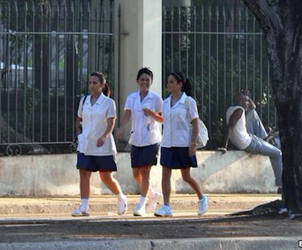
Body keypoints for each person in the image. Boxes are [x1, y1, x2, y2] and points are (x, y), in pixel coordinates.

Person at [71, 71, 127, 217]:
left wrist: (104, 136)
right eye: (90, 82)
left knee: (105, 177)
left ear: (102, 84)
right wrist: (79, 134)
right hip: (86, 144)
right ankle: (84, 207)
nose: (91, 85)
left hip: (102, 145)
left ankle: (121, 198)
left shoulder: (109, 102)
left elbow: (111, 121)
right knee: (83, 173)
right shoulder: (84, 101)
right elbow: (78, 118)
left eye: (95, 83)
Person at [155, 71, 208, 217]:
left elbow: (195, 123)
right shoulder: (165, 102)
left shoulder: (188, 101)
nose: (169, 84)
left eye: (172, 81)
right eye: (168, 82)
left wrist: (193, 144)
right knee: (165, 173)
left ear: (180, 84)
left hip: (183, 143)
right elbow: (165, 121)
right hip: (167, 143)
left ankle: (202, 198)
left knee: (186, 176)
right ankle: (166, 206)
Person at [119, 67, 164, 216]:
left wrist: (152, 113)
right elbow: (127, 114)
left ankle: (141, 204)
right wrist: (121, 127)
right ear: (137, 81)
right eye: (142, 79)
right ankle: (153, 195)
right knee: (135, 174)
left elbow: (163, 119)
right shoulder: (132, 97)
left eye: (147, 80)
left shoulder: (156, 99)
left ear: (151, 82)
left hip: (151, 139)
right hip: (136, 139)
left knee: (145, 173)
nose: (145, 82)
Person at [218, 90, 282, 192]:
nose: (248, 103)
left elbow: (252, 107)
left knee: (252, 113)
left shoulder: (231, 109)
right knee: (277, 153)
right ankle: (281, 186)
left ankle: (266, 139)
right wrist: (223, 145)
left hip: (249, 137)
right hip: (248, 144)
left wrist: (246, 97)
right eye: (246, 101)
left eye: (248, 101)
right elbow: (229, 127)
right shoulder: (239, 111)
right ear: (239, 100)